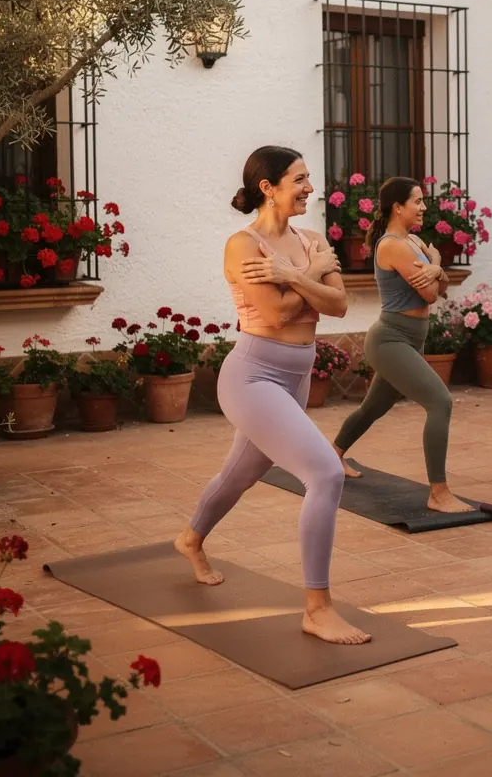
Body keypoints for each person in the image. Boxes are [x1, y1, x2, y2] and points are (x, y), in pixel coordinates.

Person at [174, 146, 370, 645]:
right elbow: (279, 315)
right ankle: (317, 608)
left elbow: (341, 305)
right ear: (268, 186)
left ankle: (190, 538)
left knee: (240, 474)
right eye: (300, 179)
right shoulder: (243, 246)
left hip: (296, 376)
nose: (310, 187)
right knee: (325, 472)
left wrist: (290, 277)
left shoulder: (312, 240)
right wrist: (306, 279)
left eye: (309, 178)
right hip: (253, 376)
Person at [332, 177, 474, 513]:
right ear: (398, 207)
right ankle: (438, 493)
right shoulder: (394, 245)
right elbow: (429, 292)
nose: (424, 207)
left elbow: (439, 290)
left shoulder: (412, 242)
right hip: (390, 339)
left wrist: (435, 266)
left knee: (374, 407)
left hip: (409, 338)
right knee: (440, 402)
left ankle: (333, 455)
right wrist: (437, 264)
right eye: (418, 201)